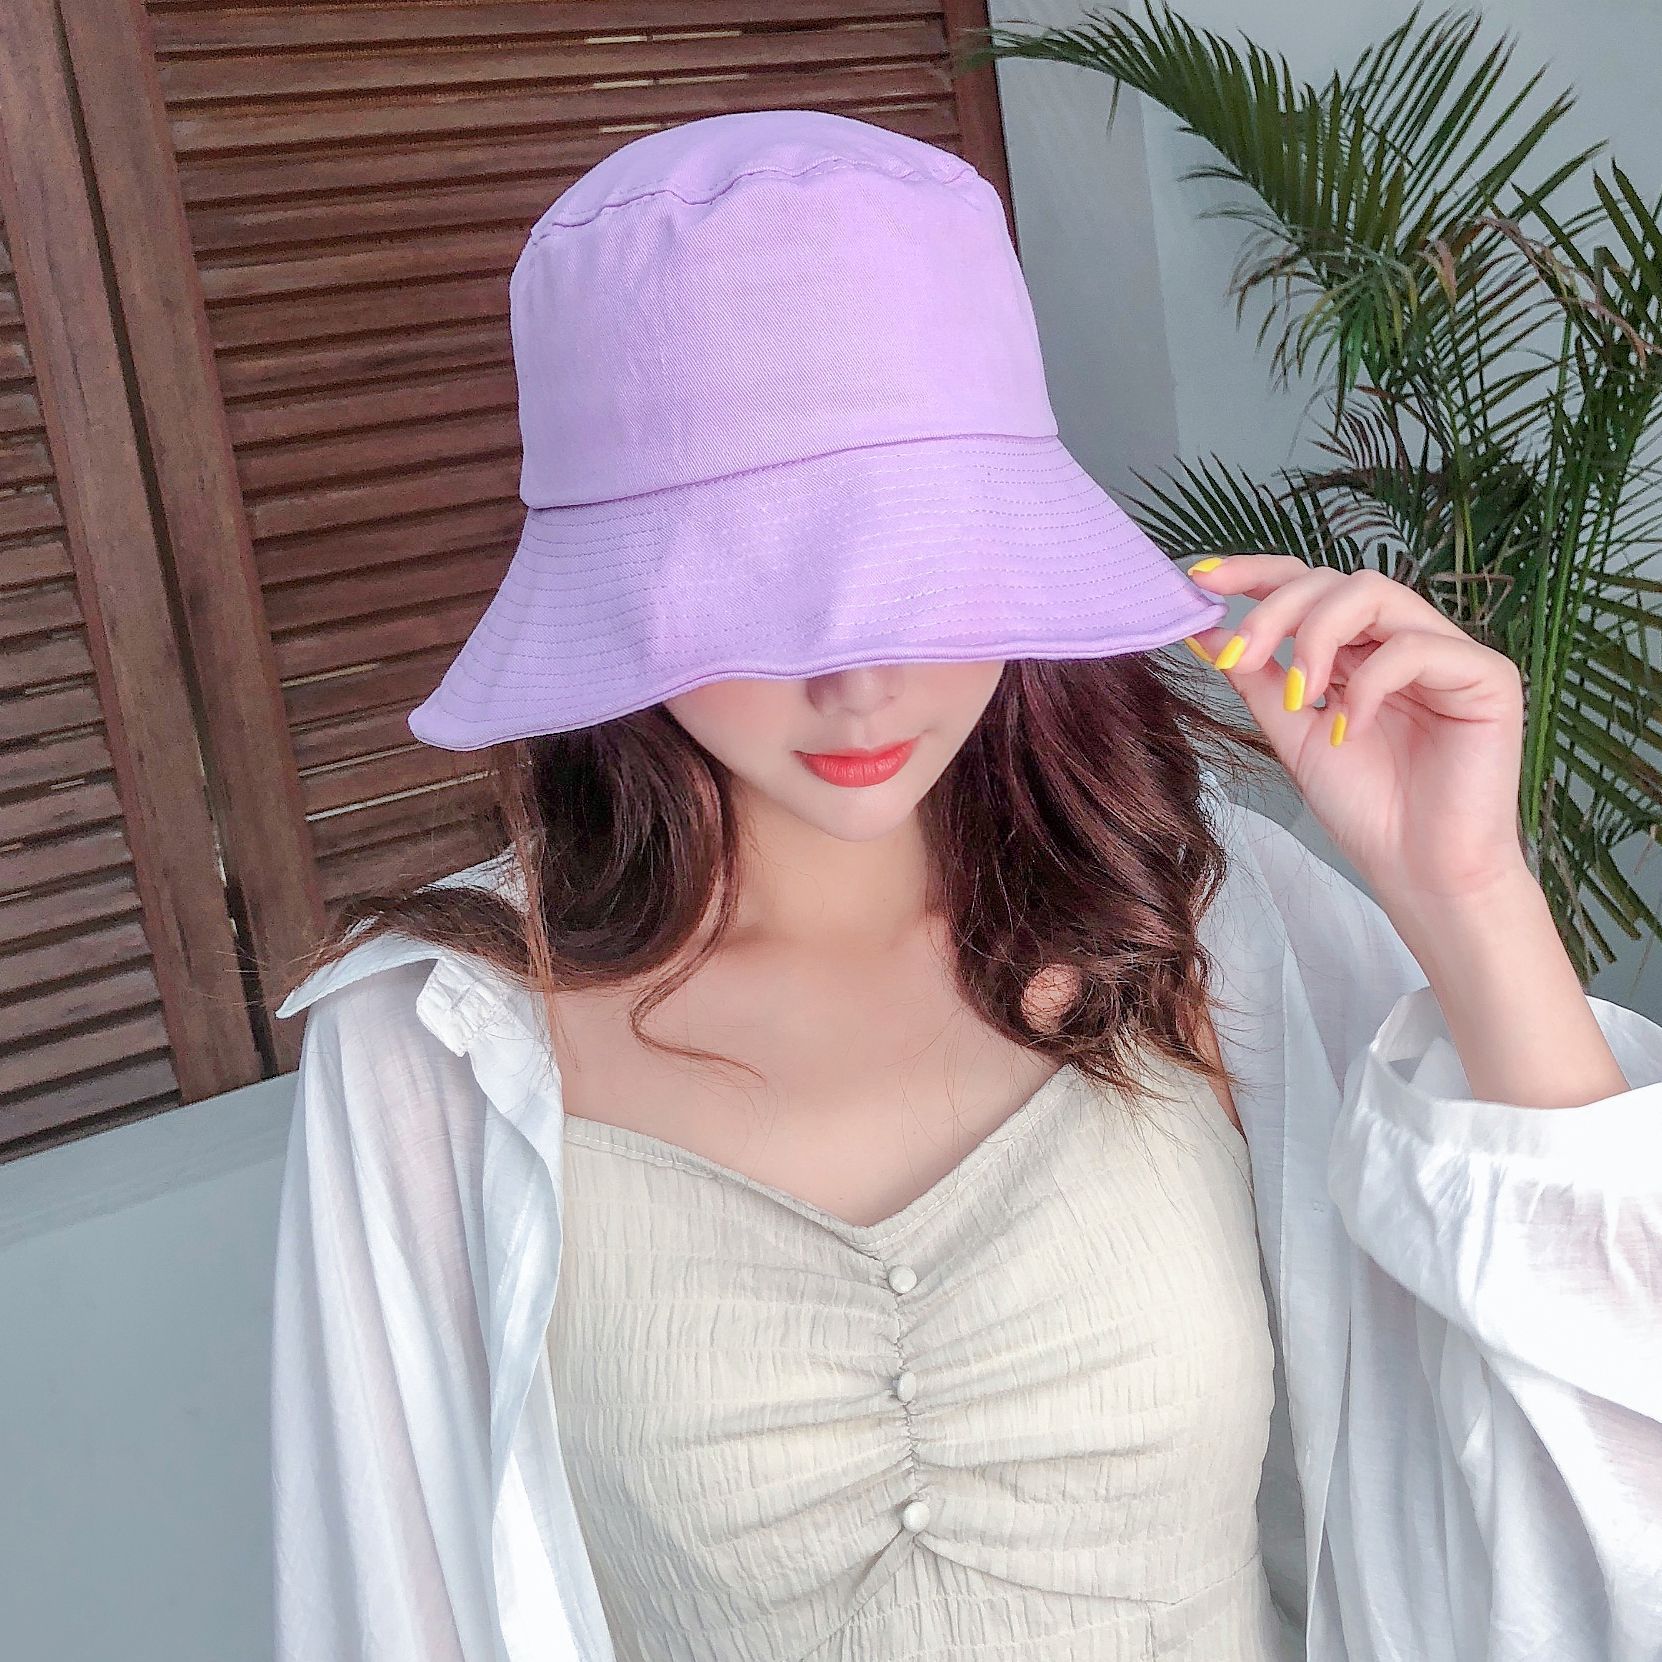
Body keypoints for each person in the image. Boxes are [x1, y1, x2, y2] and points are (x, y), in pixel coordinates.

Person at [268, 110, 1662, 1662]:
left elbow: (1605, 1469)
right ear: (618, 596)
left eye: (921, 560)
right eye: (757, 585)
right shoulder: (432, 1051)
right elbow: (392, 1616)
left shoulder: (1203, 923)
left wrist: (1466, 891)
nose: (859, 679)